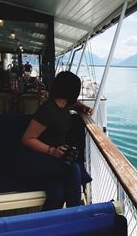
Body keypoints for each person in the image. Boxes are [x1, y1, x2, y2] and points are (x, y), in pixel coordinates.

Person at [20, 71, 92, 211]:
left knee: (57, 193)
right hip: (38, 157)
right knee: (74, 168)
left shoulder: (64, 105)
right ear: (72, 90)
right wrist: (52, 151)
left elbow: (75, 104)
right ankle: (75, 217)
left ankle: (47, 227)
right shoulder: (48, 110)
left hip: (54, 158)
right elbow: (27, 139)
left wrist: (84, 107)